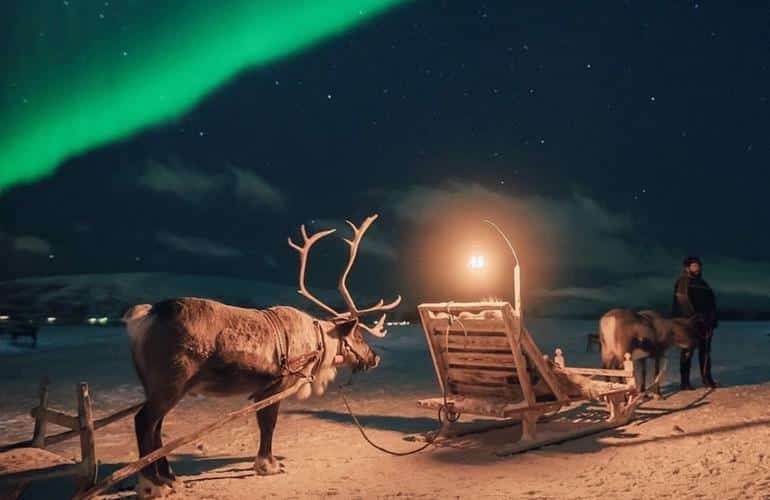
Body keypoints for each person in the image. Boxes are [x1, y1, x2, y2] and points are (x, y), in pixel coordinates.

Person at [672, 256, 718, 390]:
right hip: (688, 323)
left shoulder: (703, 284)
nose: (697, 268)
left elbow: (711, 303)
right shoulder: (683, 282)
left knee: (705, 352)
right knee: (687, 352)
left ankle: (707, 379)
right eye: (694, 266)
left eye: (698, 266)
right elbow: (680, 303)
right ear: (687, 268)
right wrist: (690, 319)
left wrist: (712, 319)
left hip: (705, 323)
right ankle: (685, 382)